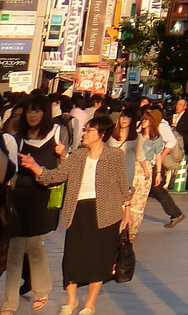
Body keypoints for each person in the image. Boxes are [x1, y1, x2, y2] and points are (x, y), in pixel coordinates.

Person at [20, 114, 131, 315]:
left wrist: (128, 211)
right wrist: (35, 167)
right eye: (85, 129)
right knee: (72, 258)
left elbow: (124, 186)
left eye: (89, 130)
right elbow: (56, 176)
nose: (84, 133)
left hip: (106, 212)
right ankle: (71, 301)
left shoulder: (115, 156)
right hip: (78, 211)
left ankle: (90, 303)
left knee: (99, 259)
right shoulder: (78, 156)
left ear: (101, 134)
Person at [3, 97, 62, 315]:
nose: (32, 115)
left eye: (37, 111)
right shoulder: (17, 139)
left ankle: (42, 289)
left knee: (36, 246)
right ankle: (10, 302)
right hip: (21, 196)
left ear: (45, 113)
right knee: (16, 249)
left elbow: (67, 165)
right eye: (29, 111)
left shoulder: (57, 133)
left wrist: (63, 154)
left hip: (44, 197)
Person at [139, 108, 184, 227]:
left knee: (157, 188)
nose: (144, 120)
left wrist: (162, 155)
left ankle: (175, 213)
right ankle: (175, 213)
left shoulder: (162, 125)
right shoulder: (145, 126)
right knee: (157, 190)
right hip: (146, 163)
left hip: (152, 163)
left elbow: (171, 141)